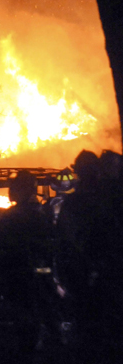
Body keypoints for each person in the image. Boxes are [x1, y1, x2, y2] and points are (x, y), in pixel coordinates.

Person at [57, 150, 123, 363]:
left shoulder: (74, 203)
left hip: (86, 275)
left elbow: (63, 243)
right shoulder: (112, 198)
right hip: (105, 274)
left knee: (88, 327)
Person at [0, 170, 53, 359]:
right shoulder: (39, 214)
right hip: (32, 271)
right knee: (35, 307)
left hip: (19, 271)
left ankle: (27, 346)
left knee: (24, 310)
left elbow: (0, 247)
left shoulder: (11, 216)